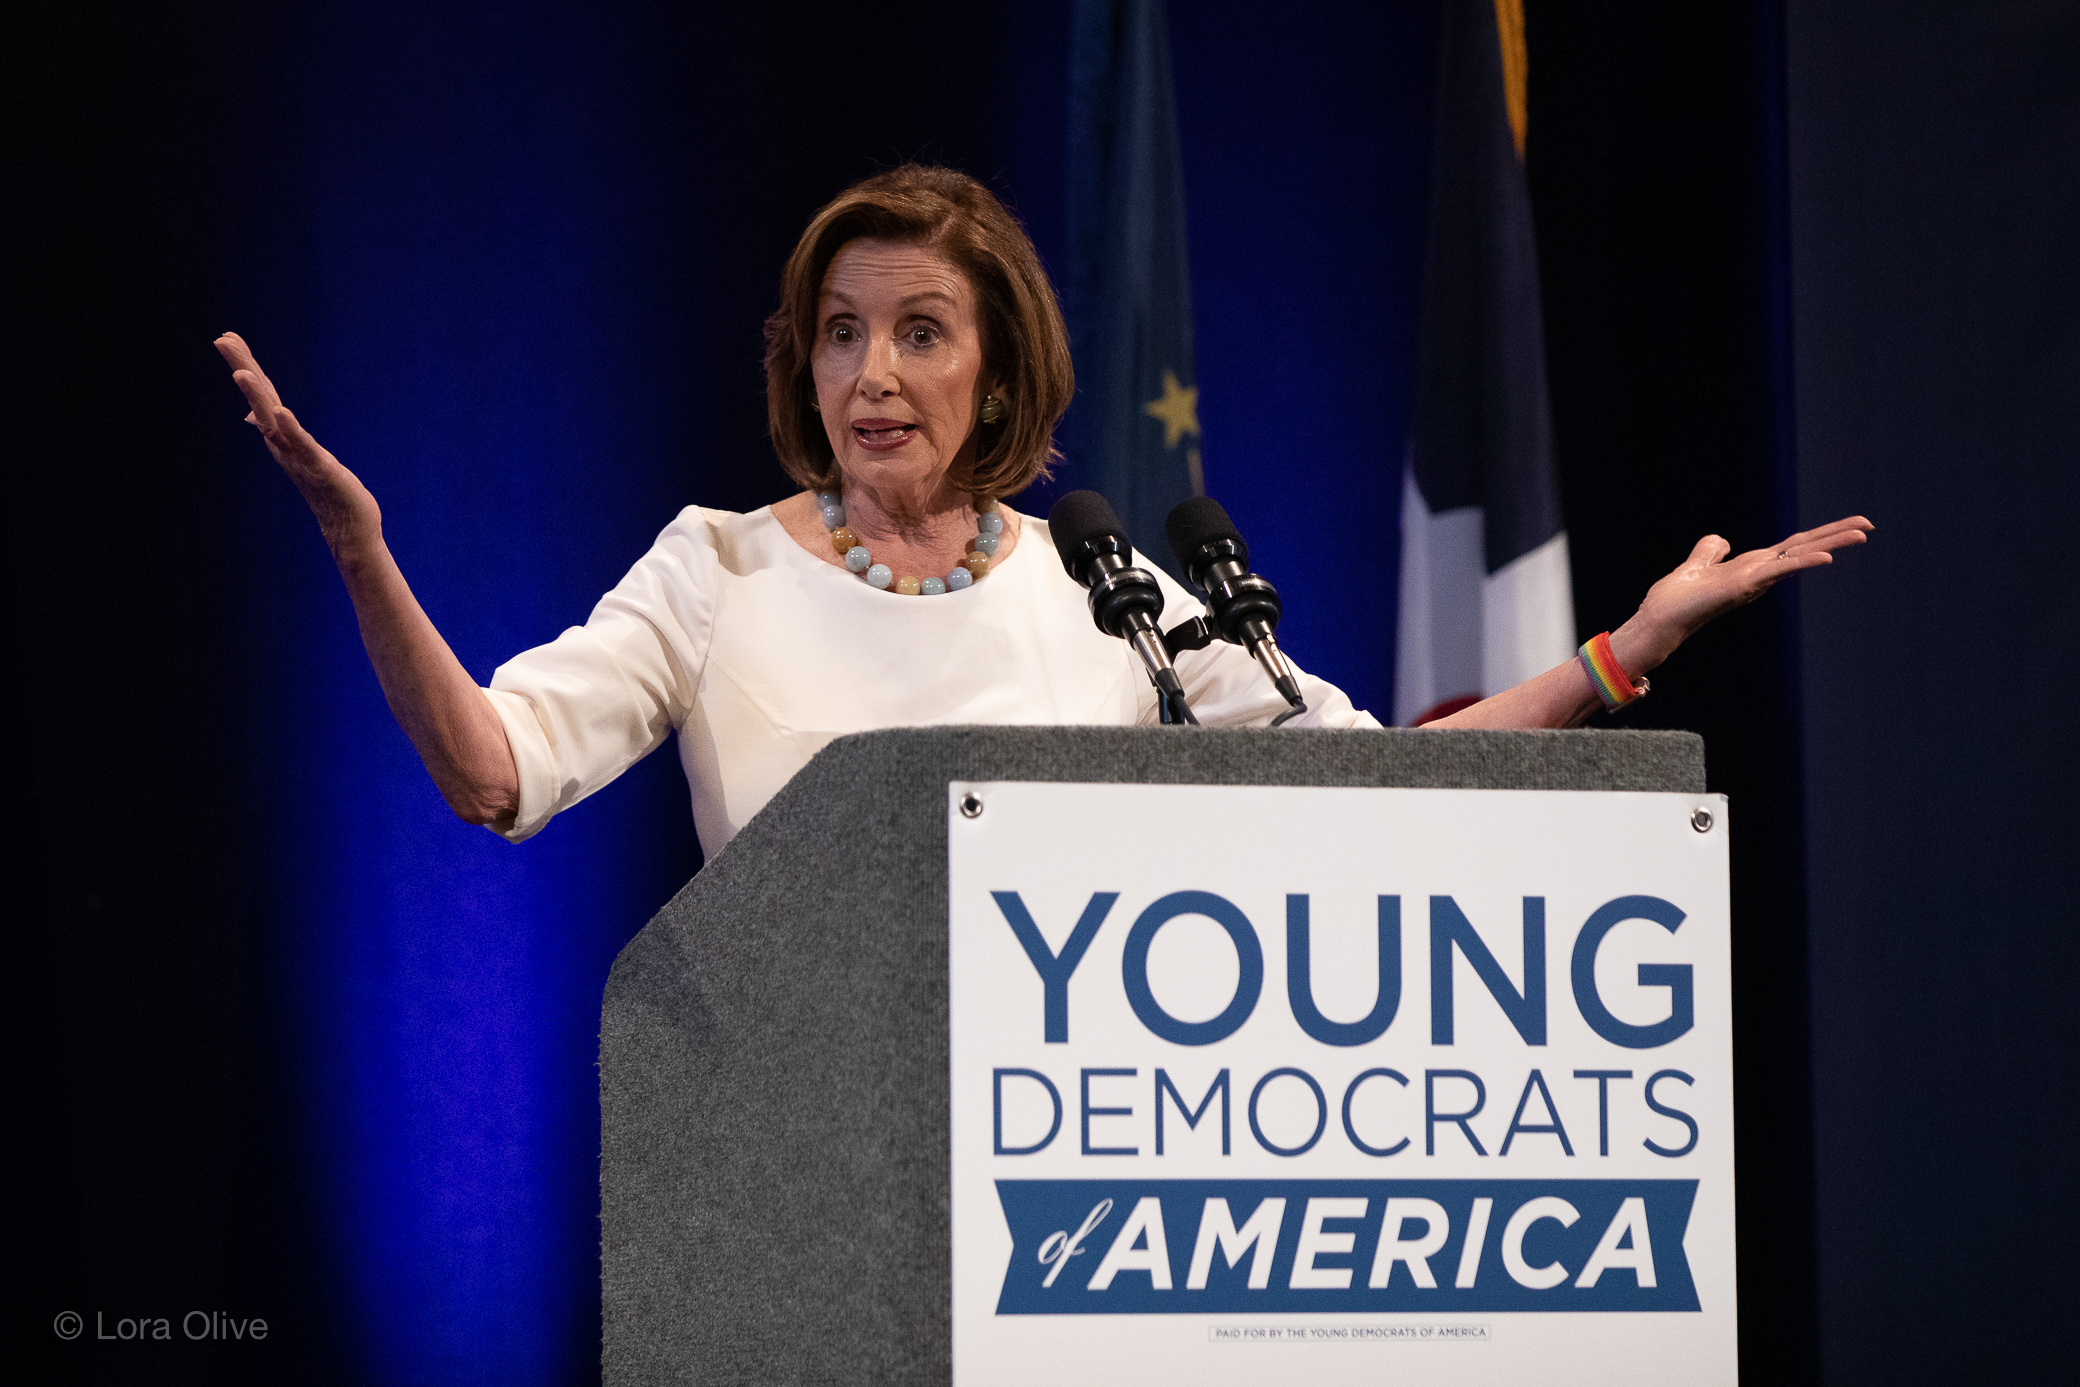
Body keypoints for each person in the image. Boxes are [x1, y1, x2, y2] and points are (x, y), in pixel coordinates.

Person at [216, 165, 1870, 856]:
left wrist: (1621, 655)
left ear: (996, 377)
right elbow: (496, 771)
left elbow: (1369, 770)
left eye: (919, 331)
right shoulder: (714, 569)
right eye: (843, 331)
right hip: (802, 1168)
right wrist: (365, 555)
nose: (872, 371)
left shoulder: (1110, 587)